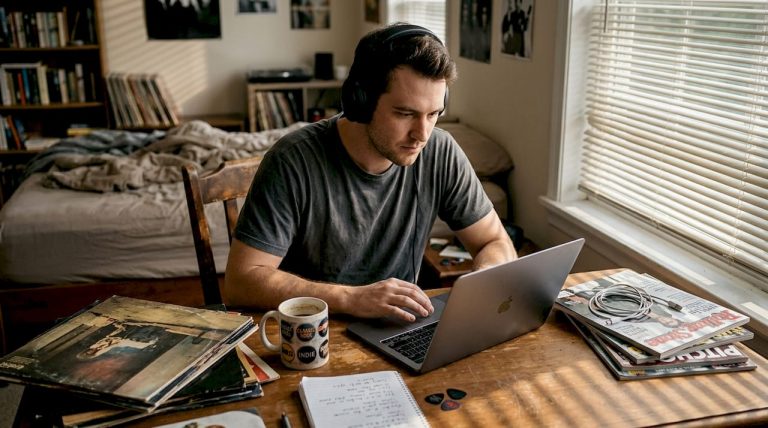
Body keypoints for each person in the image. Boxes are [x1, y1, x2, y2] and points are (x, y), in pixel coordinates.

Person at [224, 23, 517, 323]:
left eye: (434, 114)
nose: (422, 134)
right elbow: (241, 281)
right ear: (360, 101)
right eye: (405, 114)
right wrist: (351, 298)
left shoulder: (441, 151)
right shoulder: (292, 161)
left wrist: (483, 280)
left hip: (399, 331)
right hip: (314, 334)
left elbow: (495, 242)